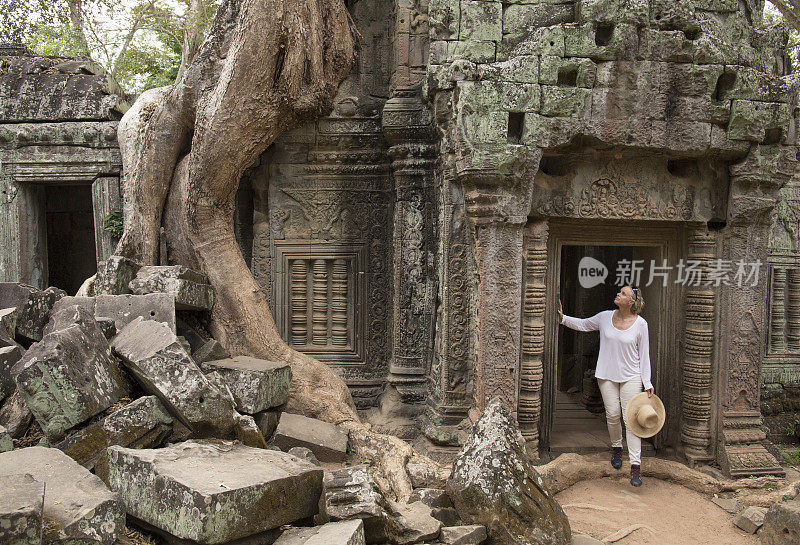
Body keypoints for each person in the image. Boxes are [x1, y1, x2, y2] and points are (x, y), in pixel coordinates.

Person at [558, 285, 654, 487]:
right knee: (612, 414)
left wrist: (647, 382)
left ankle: (635, 466)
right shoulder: (605, 317)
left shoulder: (641, 325)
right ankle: (617, 447)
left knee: (631, 420)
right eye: (619, 291)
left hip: (632, 376)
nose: (618, 294)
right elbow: (584, 325)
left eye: (623, 293)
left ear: (632, 302)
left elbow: (644, 356)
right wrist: (563, 318)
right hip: (607, 375)